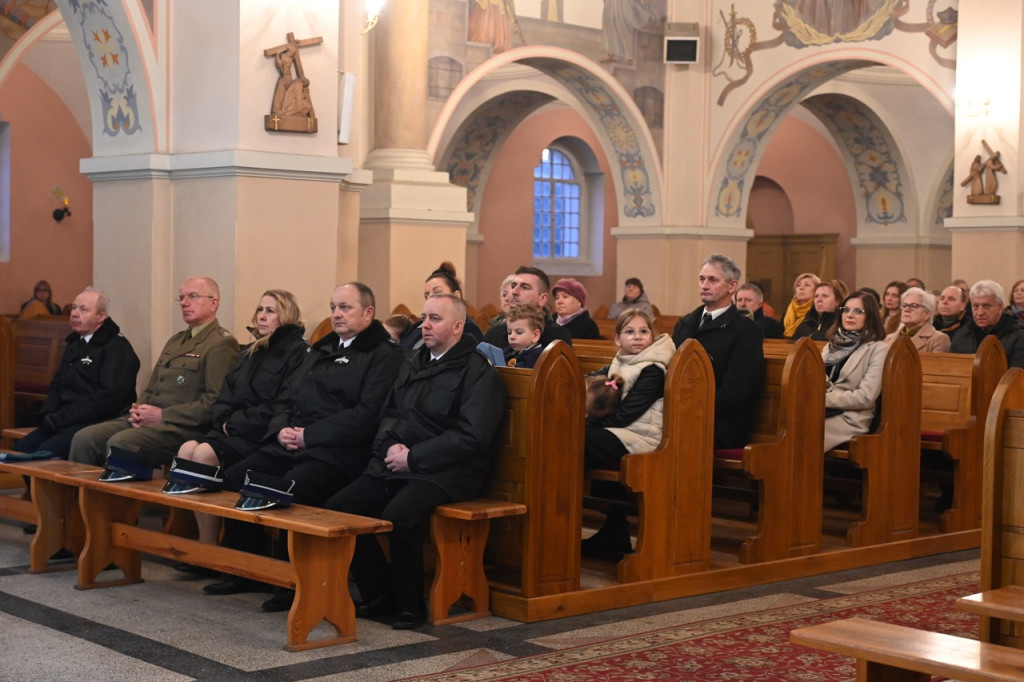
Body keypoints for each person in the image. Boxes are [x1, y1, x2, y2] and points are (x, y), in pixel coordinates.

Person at [202, 282, 404, 610]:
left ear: (368, 313)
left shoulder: (384, 356)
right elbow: (288, 396)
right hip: (294, 444)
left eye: (345, 307)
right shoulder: (322, 349)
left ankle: (293, 582)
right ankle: (246, 569)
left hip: (340, 453)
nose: (337, 314)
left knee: (291, 489)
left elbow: (366, 416)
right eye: (333, 307)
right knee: (238, 477)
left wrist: (309, 435)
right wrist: (281, 429)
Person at [327, 293, 506, 630]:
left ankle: (409, 605)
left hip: (449, 470)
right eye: (424, 318)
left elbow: (472, 436)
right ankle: (378, 593)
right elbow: (390, 413)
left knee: (400, 514)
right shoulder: (413, 360)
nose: (425, 325)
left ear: (457, 326)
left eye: (435, 319)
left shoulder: (477, 371)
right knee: (342, 507)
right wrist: (389, 448)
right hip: (399, 462)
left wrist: (414, 457)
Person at [173, 290, 308, 547]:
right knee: (186, 450)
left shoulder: (297, 352)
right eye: (260, 309)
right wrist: (223, 418)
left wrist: (234, 423)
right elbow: (225, 394)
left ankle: (211, 545)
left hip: (260, 435)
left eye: (270, 311)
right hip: (232, 429)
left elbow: (281, 404)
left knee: (202, 454)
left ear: (286, 316)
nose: (262, 316)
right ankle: (206, 539)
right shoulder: (250, 351)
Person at [68, 277, 239, 467]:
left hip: (183, 427)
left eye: (192, 296)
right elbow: (151, 388)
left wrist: (162, 415)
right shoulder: (176, 340)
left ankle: (120, 488)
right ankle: (82, 488)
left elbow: (214, 402)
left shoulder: (221, 343)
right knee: (85, 438)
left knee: (121, 443)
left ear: (213, 303)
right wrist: (139, 411)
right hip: (152, 421)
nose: (184, 303)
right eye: (181, 297)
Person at [583, 308, 675, 560]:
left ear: (652, 337)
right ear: (617, 339)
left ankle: (562, 513)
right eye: (630, 331)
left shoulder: (652, 369)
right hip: (623, 432)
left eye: (644, 331)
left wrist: (589, 423)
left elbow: (626, 416)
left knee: (578, 439)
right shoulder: (620, 361)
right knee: (571, 435)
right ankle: (615, 530)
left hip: (641, 436)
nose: (637, 337)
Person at [14, 288, 139, 459]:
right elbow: (57, 383)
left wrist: (61, 418)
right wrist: (47, 414)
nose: (74, 313)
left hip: (94, 421)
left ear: (101, 317)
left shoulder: (117, 348)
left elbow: (106, 398)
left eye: (83, 309)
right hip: (64, 419)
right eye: (74, 307)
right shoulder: (75, 342)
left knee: (43, 455)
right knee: (19, 451)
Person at [673, 254, 764, 449]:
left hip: (720, 423)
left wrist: (688, 407)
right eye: (702, 279)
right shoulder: (685, 324)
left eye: (712, 280)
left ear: (732, 286)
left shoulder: (746, 331)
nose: (704, 285)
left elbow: (736, 393)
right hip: (681, 413)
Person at [822, 291, 889, 452]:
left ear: (870, 316)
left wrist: (822, 399)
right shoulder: (831, 345)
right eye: (846, 310)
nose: (850, 315)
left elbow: (866, 397)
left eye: (858, 311)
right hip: (822, 409)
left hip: (850, 417)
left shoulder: (878, 349)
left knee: (806, 430)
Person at [399, 262, 483, 351]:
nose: (430, 298)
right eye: (426, 295)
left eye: (437, 293)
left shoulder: (468, 328)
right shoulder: (418, 325)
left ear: (456, 296)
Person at [481, 266, 572, 348]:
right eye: (513, 286)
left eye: (525, 287)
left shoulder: (556, 336)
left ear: (542, 299)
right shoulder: (494, 333)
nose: (514, 292)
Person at [950, 280, 1024, 368]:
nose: (980, 312)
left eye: (986, 306)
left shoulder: (1019, 336)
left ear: (1000, 306)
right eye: (976, 306)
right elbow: (951, 369)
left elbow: (1017, 374)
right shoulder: (962, 334)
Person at [883, 287, 950, 352]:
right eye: (904, 305)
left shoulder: (938, 339)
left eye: (914, 306)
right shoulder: (889, 338)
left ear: (927, 314)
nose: (906, 309)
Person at [502, 303, 545, 368]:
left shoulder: (536, 356)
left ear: (535, 335)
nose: (512, 337)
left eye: (519, 332)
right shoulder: (509, 350)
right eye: (509, 332)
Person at [782, 272, 820, 338]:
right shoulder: (787, 312)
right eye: (798, 285)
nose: (801, 288)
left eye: (807, 285)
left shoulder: (818, 314)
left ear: (817, 290)